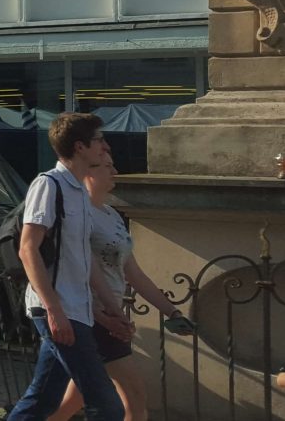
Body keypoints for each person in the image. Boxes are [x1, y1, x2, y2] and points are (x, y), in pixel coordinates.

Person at [47, 159, 191, 421]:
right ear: (88, 172)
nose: (115, 171)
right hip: (91, 317)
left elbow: (133, 273)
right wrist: (103, 317)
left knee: (71, 400)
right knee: (134, 398)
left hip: (109, 316)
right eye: (107, 166)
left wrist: (172, 311)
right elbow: (72, 271)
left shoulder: (111, 214)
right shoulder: (79, 213)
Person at [6, 113, 124, 420]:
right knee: (107, 406)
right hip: (58, 310)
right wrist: (54, 310)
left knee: (41, 401)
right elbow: (28, 249)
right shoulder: (49, 185)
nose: (104, 146)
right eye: (99, 140)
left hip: (77, 310)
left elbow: (83, 259)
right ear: (81, 146)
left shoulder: (78, 193)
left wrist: (113, 308)